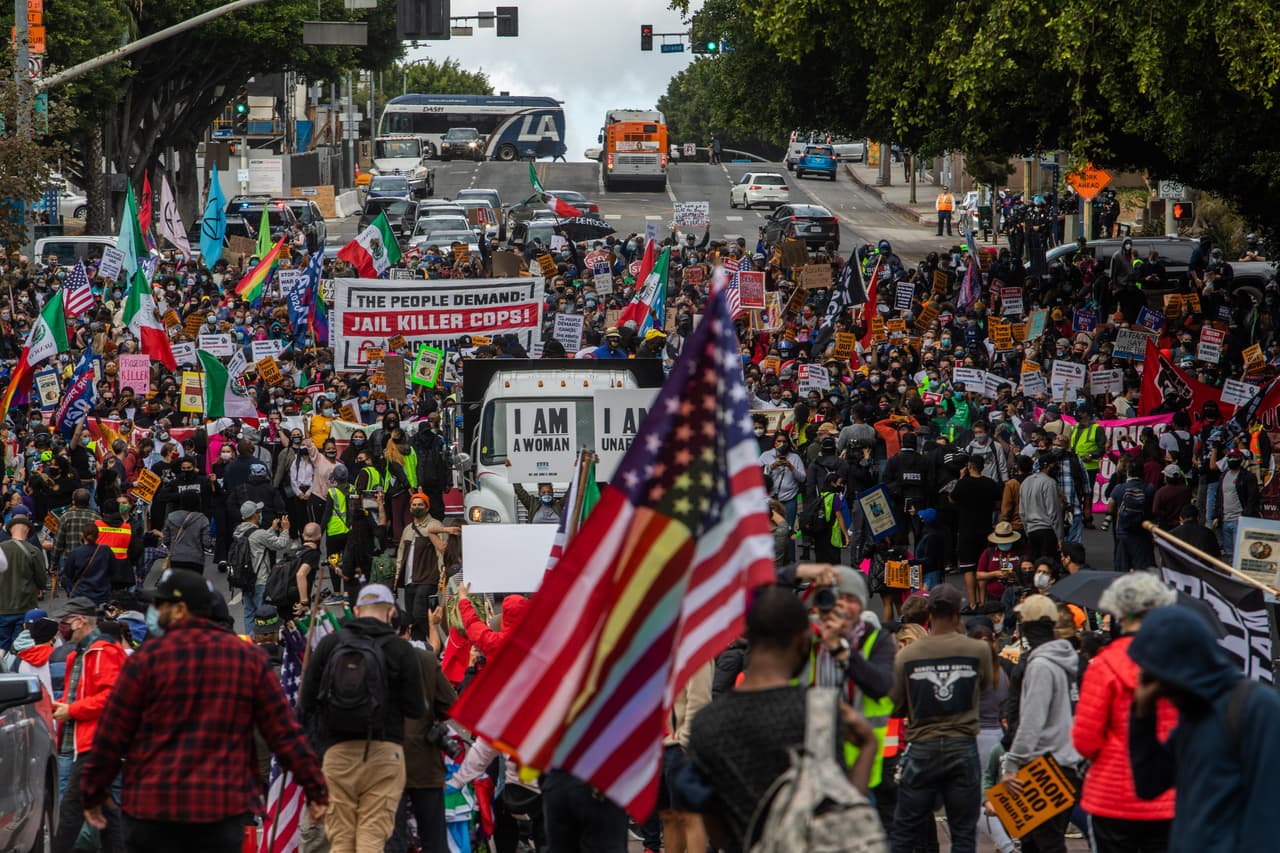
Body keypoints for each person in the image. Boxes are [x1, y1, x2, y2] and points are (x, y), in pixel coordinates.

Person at [80, 569, 329, 852]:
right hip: (219, 809)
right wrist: (314, 787)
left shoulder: (146, 661)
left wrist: (93, 789)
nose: (155, 612)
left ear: (180, 610)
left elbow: (113, 732)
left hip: (152, 809)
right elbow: (283, 732)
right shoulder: (246, 659)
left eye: (161, 605)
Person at [687, 586, 880, 852]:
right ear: (802, 641)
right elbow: (840, 814)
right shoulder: (819, 710)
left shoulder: (706, 724)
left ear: (745, 636)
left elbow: (717, 833)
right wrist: (869, 746)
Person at [1128, 606, 1280, 851]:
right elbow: (1149, 784)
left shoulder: (1257, 707)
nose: (1160, 688)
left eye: (1161, 677)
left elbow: (1269, 811)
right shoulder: (1195, 713)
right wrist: (1142, 715)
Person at [299, 583, 426, 853]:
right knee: (372, 837)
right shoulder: (401, 650)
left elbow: (306, 703)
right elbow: (416, 708)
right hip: (384, 752)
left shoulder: (331, 644)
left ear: (356, 611)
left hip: (336, 754)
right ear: (391, 613)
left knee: (341, 839)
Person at [1072, 573, 1176, 852]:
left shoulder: (1103, 665)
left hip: (1112, 795)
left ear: (1120, 613)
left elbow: (1085, 741)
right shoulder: (1179, 662)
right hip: (1168, 796)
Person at [888, 583, 993, 853]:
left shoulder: (907, 654)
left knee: (905, 828)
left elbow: (896, 705)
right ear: (958, 613)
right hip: (962, 744)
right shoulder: (978, 650)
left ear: (929, 613)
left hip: (923, 744)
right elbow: (984, 687)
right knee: (963, 832)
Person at [1000, 595, 1084, 853]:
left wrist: (1013, 763)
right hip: (1067, 760)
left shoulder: (1041, 665)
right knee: (1038, 842)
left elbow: (1032, 721)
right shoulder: (1068, 660)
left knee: (1046, 843)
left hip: (1043, 764)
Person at [51, 596, 128, 853]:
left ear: (80, 621)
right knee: (106, 812)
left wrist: (71, 710)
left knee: (71, 808)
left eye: (65, 621)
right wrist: (60, 707)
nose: (62, 627)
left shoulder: (104, 652)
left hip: (97, 743)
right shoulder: (79, 655)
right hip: (85, 743)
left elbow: (113, 697)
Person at [389, 608, 458, 853]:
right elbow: (450, 705)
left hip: (383, 763)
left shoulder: (368, 659)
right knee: (434, 837)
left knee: (391, 839)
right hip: (424, 761)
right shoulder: (425, 660)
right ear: (407, 630)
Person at [233, 500, 292, 635]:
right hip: (259, 580)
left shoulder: (238, 531)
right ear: (254, 515)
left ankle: (250, 641)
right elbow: (280, 544)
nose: (260, 515)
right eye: (258, 512)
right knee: (264, 614)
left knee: (249, 614)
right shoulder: (259, 533)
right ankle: (263, 641)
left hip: (245, 580)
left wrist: (271, 530)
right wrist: (285, 530)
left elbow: (257, 540)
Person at [0, 514, 49, 650]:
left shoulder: (1, 549)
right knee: (20, 647)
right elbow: (42, 581)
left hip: (2, 607)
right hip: (25, 606)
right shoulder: (33, 551)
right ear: (27, 530)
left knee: (2, 647)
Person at [1214, 448, 1260, 561]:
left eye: (1234, 457)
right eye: (1230, 457)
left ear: (1240, 460)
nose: (1232, 460)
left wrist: (1245, 516)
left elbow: (1252, 498)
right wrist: (1216, 516)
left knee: (1239, 553)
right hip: (1225, 520)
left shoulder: (1248, 477)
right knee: (1228, 553)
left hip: (1239, 519)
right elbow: (1219, 497)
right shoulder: (1223, 476)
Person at [1020, 452, 1063, 564]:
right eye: (1054, 465)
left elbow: (1022, 512)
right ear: (1047, 466)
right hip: (1047, 531)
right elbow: (1053, 512)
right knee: (1047, 566)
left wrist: (1027, 531)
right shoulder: (1049, 482)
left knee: (1034, 565)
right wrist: (1060, 537)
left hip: (1031, 531)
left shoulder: (1025, 482)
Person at [62, 526, 116, 605]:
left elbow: (68, 574)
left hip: (81, 594)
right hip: (102, 595)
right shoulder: (106, 551)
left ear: (82, 535)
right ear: (98, 535)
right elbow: (113, 570)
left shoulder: (76, 553)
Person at [162, 490, 212, 572]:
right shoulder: (202, 519)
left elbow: (165, 540)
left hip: (176, 558)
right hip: (196, 560)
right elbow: (206, 543)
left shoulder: (171, 517)